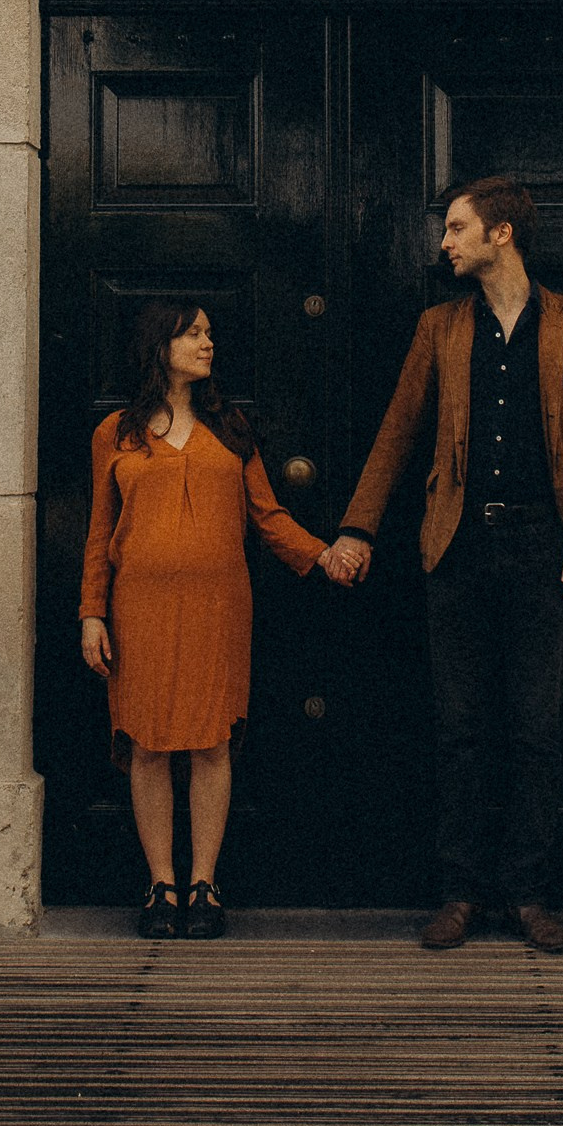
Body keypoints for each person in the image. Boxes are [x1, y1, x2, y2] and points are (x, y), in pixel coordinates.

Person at [328, 178, 563, 955]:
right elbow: (396, 432)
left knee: (534, 730)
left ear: (502, 235)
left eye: (457, 229)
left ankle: (524, 894)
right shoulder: (438, 328)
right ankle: (457, 892)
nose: (444, 243)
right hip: (455, 551)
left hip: (541, 555)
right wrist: (358, 527)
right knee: (459, 730)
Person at [81, 301, 358, 939]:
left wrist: (324, 554)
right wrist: (92, 611)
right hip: (139, 607)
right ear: (161, 344)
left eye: (209, 333)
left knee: (211, 742)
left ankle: (204, 883)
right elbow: (100, 532)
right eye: (194, 333)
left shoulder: (231, 429)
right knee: (147, 744)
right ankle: (161, 886)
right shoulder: (117, 434)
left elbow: (267, 516)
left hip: (218, 606)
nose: (209, 343)